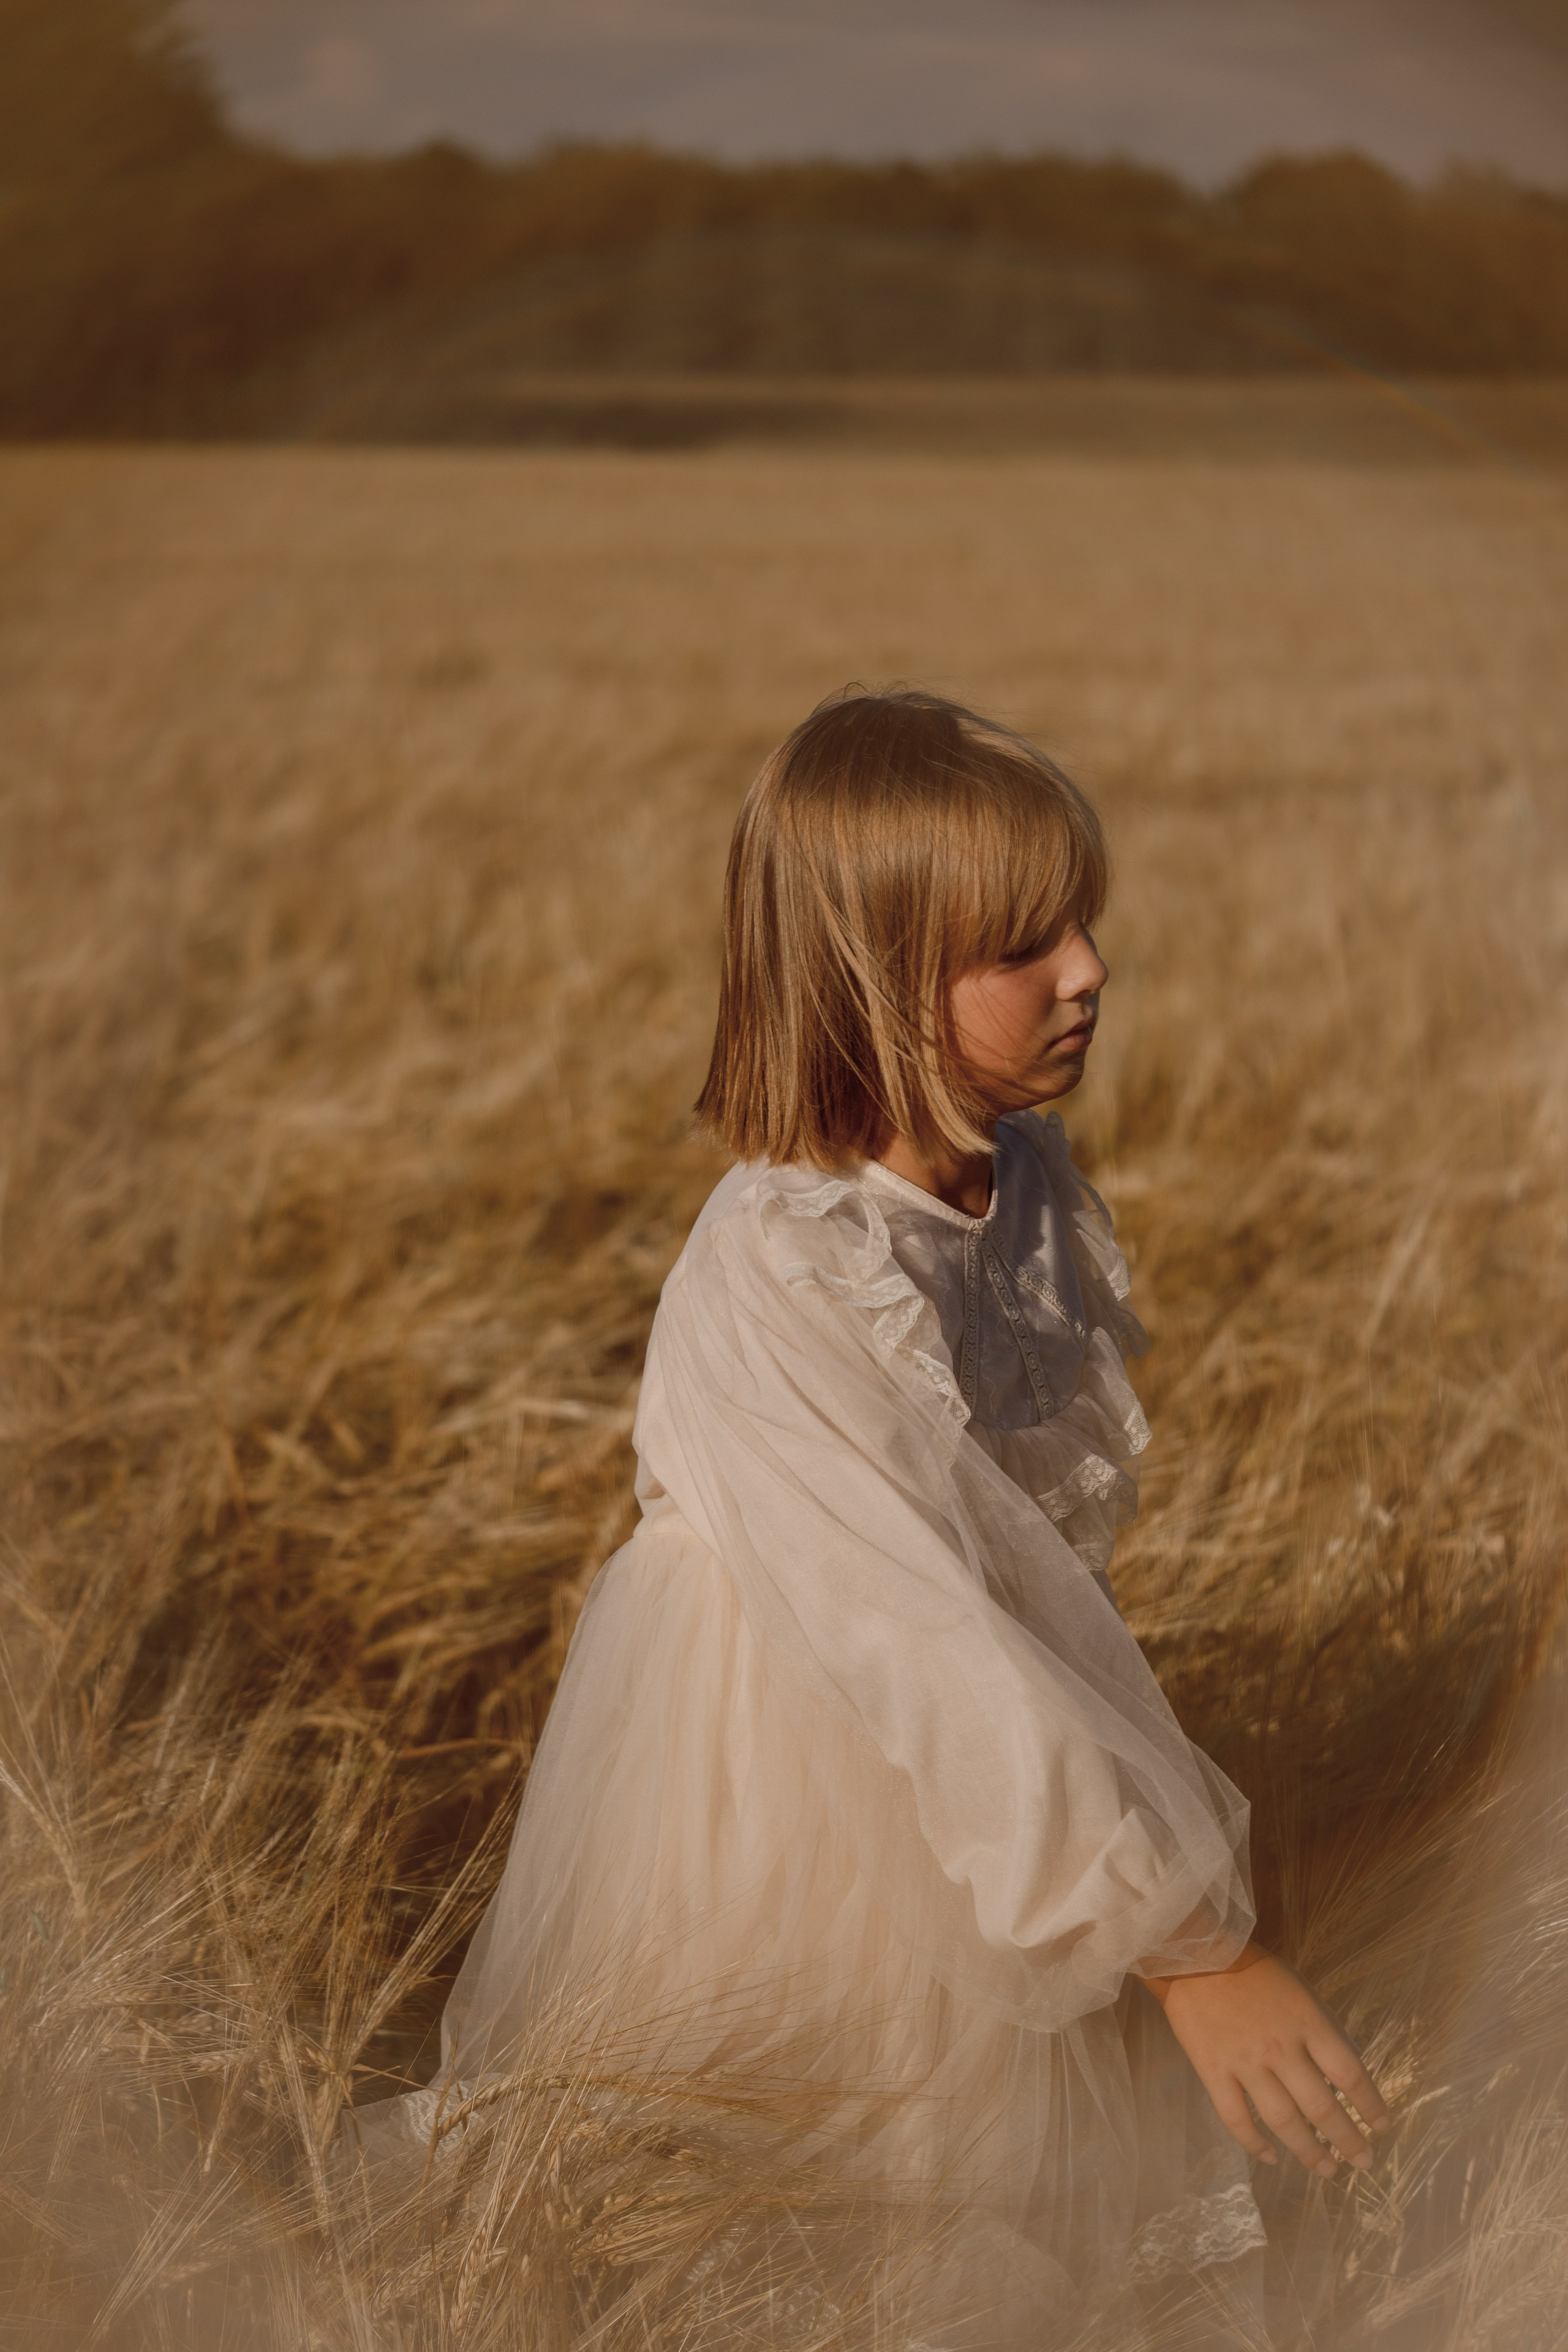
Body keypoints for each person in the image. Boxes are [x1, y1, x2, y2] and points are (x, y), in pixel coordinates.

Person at [369, 688, 1388, 2345]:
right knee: (814, 2215)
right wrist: (1182, 1947)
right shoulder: (780, 1263)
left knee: (1003, 2215)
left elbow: (1023, 1574)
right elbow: (918, 1638)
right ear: (872, 978)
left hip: (984, 1778)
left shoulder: (1021, 1174)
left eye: (1086, 924)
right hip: (792, 1794)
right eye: (1023, 945)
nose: (1088, 970)